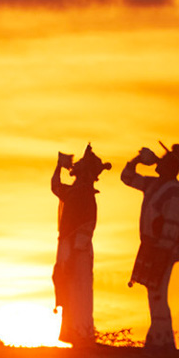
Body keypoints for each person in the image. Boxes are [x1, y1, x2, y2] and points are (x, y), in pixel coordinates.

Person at [121, 142, 179, 350]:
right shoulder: (152, 184)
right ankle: (161, 339)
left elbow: (172, 223)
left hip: (163, 249)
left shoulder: (175, 191)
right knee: (153, 293)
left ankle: (161, 340)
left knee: (158, 292)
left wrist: (163, 250)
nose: (159, 162)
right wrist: (137, 159)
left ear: (172, 166)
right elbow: (126, 177)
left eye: (164, 160)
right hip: (151, 246)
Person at [50, 144, 109, 347]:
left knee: (80, 288)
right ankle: (74, 332)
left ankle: (82, 332)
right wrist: (58, 166)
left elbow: (88, 223)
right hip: (69, 245)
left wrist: (76, 248)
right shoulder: (74, 192)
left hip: (78, 248)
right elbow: (55, 186)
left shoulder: (84, 194)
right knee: (70, 286)